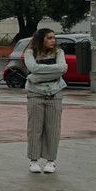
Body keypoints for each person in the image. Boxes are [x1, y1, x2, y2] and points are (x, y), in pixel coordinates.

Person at [23, 28, 67, 173]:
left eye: (54, 38)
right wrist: (50, 71)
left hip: (55, 93)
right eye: (49, 38)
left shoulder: (59, 52)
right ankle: (33, 160)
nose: (53, 40)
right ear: (41, 39)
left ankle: (51, 160)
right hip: (35, 94)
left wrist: (35, 76)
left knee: (53, 128)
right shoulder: (30, 52)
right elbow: (33, 67)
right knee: (34, 128)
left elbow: (62, 68)